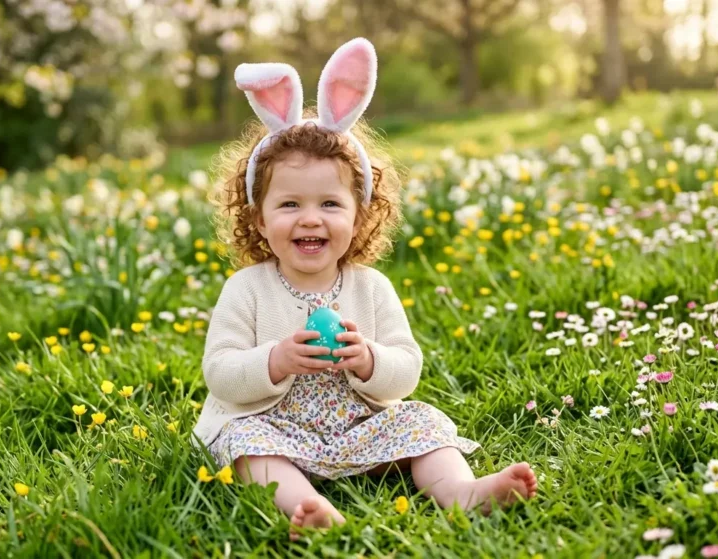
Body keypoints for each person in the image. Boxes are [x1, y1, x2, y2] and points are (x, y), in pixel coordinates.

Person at [193, 37, 537, 535]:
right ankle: (308, 507)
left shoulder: (371, 287)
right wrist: (276, 360)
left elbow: (407, 368)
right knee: (247, 449)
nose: (310, 219)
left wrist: (370, 359)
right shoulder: (246, 289)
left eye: (330, 204)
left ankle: (463, 492)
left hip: (360, 428)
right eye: (289, 205)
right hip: (273, 427)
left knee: (422, 422)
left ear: (359, 218)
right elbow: (220, 371)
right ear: (259, 220)